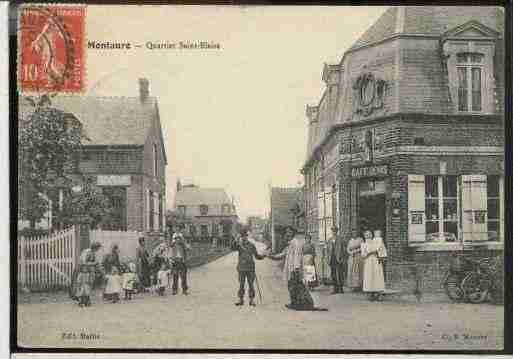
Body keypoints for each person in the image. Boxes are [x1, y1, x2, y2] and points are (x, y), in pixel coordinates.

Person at [268, 226, 327, 311]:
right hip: (289, 267)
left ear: (293, 233)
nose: (287, 234)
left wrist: (296, 269)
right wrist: (271, 256)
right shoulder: (289, 244)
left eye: (289, 232)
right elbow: (282, 254)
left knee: (294, 286)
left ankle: (296, 303)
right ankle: (294, 302)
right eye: (286, 232)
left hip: (294, 268)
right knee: (291, 286)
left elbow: (297, 256)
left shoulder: (296, 243)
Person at [231, 227, 266, 306]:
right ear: (241, 237)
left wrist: (263, 256)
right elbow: (232, 248)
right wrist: (236, 239)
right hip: (241, 268)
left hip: (250, 268)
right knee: (241, 284)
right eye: (242, 236)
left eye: (245, 236)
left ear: (247, 236)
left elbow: (257, 256)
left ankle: (251, 300)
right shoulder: (239, 245)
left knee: (251, 284)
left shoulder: (251, 245)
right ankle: (240, 300)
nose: (244, 237)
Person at [361, 229, 387, 301]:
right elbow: (363, 255)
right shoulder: (363, 244)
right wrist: (370, 253)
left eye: (369, 234)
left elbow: (381, 250)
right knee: (369, 277)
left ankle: (378, 293)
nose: (368, 235)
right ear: (364, 236)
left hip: (376, 261)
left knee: (377, 276)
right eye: (366, 234)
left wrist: (380, 255)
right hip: (368, 262)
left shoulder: (376, 242)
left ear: (372, 235)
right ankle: (371, 293)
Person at [170, 227, 191, 295]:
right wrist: (172, 259)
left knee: (183, 276)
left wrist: (185, 259)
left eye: (179, 239)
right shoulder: (173, 245)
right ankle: (174, 289)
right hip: (175, 260)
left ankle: (184, 290)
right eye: (176, 239)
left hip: (182, 260)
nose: (177, 240)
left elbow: (187, 249)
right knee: (175, 275)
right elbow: (171, 250)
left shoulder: (183, 245)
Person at [329, 226, 348, 294]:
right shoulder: (330, 240)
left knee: (340, 273)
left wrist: (342, 257)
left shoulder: (341, 239)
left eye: (335, 231)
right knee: (333, 274)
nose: (334, 232)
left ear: (337, 231)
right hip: (332, 258)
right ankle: (335, 288)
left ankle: (341, 288)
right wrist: (327, 258)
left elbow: (344, 249)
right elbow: (328, 250)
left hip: (339, 258)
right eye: (332, 231)